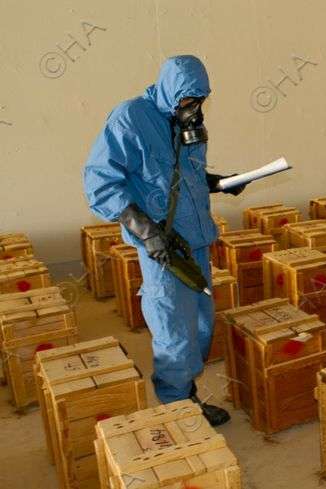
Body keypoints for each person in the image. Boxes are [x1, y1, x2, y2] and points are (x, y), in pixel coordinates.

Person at [83, 55, 245, 426]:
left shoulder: (187, 122)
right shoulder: (130, 118)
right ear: (170, 91)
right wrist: (146, 230)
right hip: (163, 245)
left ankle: (186, 394)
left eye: (200, 100)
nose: (194, 108)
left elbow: (185, 178)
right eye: (187, 100)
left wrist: (222, 183)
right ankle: (178, 409)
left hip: (196, 242)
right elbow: (99, 182)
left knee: (201, 325)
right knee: (174, 329)